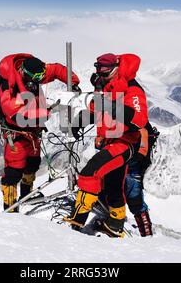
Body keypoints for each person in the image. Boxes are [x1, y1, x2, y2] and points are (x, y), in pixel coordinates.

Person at [64, 53, 148, 237]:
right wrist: (80, 121)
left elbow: (139, 119)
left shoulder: (132, 89)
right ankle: (115, 224)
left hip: (125, 143)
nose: (100, 73)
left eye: (105, 69)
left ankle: (76, 222)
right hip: (109, 141)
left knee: (89, 173)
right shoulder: (107, 87)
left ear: (117, 67)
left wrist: (109, 105)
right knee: (112, 185)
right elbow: (96, 111)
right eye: (98, 69)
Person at [0, 53, 80, 211]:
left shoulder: (33, 72)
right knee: (13, 171)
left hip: (33, 131)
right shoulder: (8, 83)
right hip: (16, 133)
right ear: (25, 73)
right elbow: (14, 112)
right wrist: (44, 113)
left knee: (32, 164)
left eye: (40, 77)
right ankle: (10, 208)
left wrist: (73, 81)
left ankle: (26, 195)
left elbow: (55, 70)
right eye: (36, 78)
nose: (39, 80)